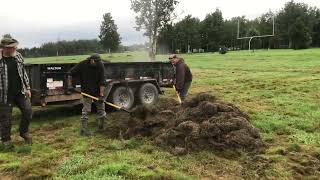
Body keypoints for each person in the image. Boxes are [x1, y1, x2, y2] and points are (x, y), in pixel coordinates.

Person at [0, 35, 33, 150]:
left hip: (20, 92)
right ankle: (6, 142)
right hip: (4, 95)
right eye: (11, 47)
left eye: (15, 47)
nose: (14, 49)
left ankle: (24, 132)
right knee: (6, 119)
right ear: (4, 48)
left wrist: (28, 88)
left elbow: (23, 73)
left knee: (28, 112)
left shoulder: (18, 56)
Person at [68, 54, 107, 136]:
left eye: (98, 62)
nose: (97, 63)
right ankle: (84, 130)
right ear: (91, 60)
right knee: (86, 111)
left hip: (97, 92)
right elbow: (70, 73)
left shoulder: (100, 65)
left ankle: (102, 127)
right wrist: (70, 85)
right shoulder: (82, 64)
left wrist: (101, 95)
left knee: (101, 110)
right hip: (86, 92)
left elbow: (102, 82)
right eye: (96, 62)